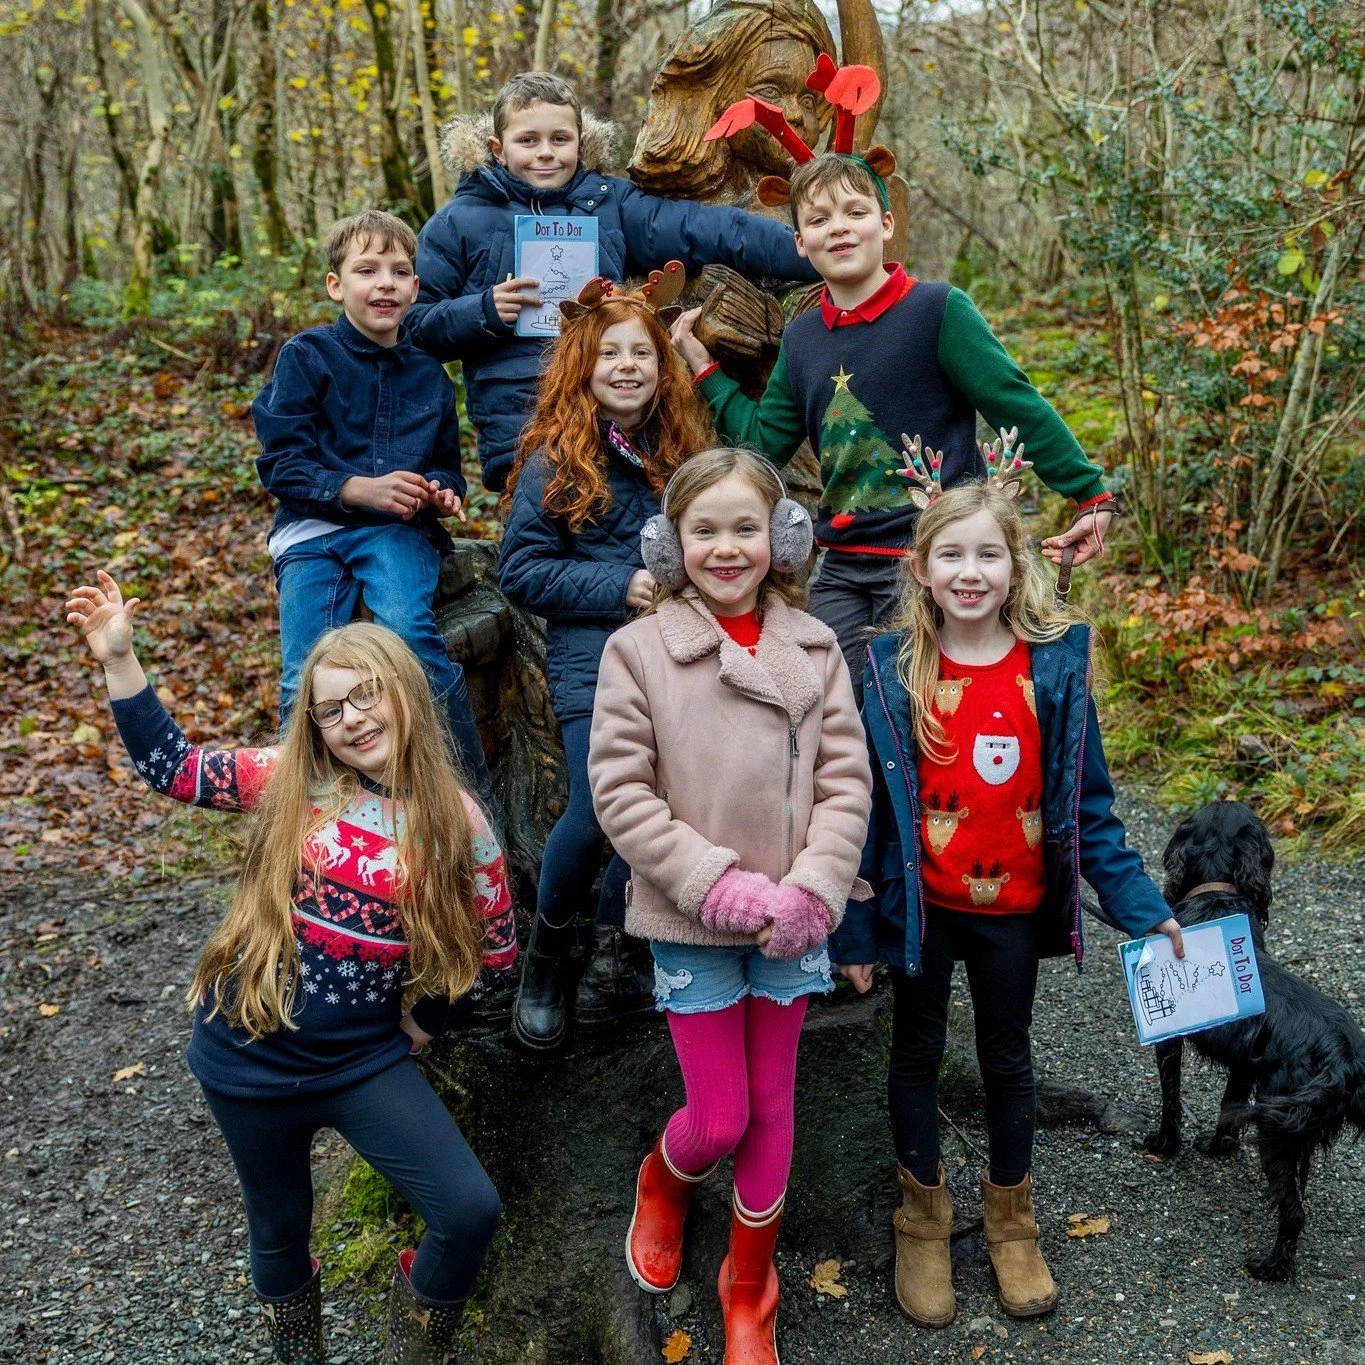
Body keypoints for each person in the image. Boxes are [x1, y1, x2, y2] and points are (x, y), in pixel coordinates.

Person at [64, 572, 516, 1364]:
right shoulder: (292, 782)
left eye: (367, 695)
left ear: (405, 692)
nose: (353, 718)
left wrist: (422, 1025)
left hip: (362, 1061)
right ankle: (298, 1354)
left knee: (470, 1209)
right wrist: (119, 660)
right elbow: (172, 766)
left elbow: (494, 952)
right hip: (244, 1055)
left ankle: (412, 1345)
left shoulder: (459, 821)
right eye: (331, 708)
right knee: (277, 1224)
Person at [828, 476, 1185, 1329]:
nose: (970, 570)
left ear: (1015, 564)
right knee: (914, 1052)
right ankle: (922, 1218)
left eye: (988, 552)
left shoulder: (1053, 665)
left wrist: (1143, 908)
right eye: (951, 553)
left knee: (1007, 1055)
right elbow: (850, 807)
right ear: (919, 567)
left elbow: (1087, 807)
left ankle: (1011, 1221)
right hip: (922, 908)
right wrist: (851, 925)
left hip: (1011, 911)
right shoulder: (884, 670)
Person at [588, 448, 872, 1365]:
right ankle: (664, 1178)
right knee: (720, 1117)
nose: (725, 547)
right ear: (671, 544)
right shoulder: (637, 651)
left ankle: (749, 1285)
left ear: (780, 538)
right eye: (703, 529)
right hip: (692, 918)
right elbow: (621, 791)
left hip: (795, 918)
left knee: (773, 1106)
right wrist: (716, 882)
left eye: (745, 527)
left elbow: (846, 784)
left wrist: (814, 888)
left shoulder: (817, 647)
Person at [671, 151, 1117, 702]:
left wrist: (1090, 495)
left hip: (934, 563)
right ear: (799, 244)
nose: (837, 228)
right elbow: (763, 446)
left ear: (886, 225)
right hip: (842, 566)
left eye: (854, 212)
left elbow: (1017, 406)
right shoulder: (803, 339)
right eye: (817, 220)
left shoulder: (937, 311)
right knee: (831, 708)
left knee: (921, 711)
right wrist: (704, 368)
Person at [406, 70, 819, 492]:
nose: (546, 153)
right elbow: (412, 325)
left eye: (560, 139)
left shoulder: (609, 204)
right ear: (498, 148)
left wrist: (815, 252)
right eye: (528, 140)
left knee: (627, 527)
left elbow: (708, 229)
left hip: (612, 411)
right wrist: (483, 310)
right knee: (544, 535)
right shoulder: (460, 221)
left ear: (581, 143)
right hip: (520, 424)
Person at [497, 271, 711, 1051]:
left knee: (677, 798)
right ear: (583, 365)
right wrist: (623, 583)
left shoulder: (684, 449)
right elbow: (518, 571)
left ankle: (629, 944)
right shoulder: (557, 458)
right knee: (599, 808)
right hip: (596, 655)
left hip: (682, 654)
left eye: (642, 353)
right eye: (610, 352)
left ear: (663, 368)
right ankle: (548, 956)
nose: (627, 365)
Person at [252, 208, 493, 806]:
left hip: (395, 532)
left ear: (416, 287)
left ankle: (466, 804)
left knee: (409, 635)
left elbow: (443, 465)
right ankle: (304, 817)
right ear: (337, 285)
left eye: (399, 271)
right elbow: (281, 464)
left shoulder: (430, 376)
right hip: (312, 531)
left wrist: (440, 492)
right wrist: (356, 488)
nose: (384, 282)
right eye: (367, 269)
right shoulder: (306, 357)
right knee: (303, 672)